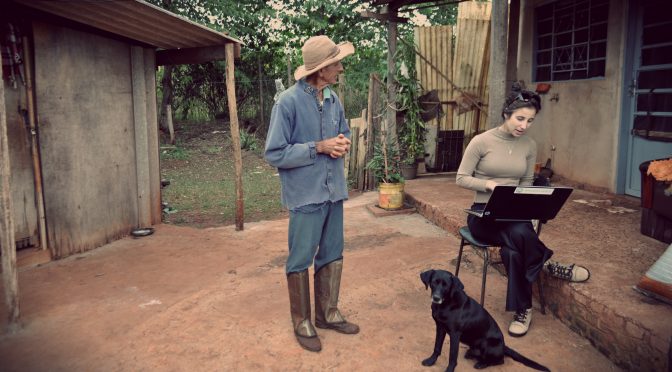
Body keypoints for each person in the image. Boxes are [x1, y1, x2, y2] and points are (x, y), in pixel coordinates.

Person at [455, 83, 590, 337]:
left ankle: (523, 308)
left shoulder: (529, 145)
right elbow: (461, 178)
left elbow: (526, 184)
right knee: (518, 233)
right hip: (482, 214)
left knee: (513, 249)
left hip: (514, 214)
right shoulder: (481, 141)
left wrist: (532, 209)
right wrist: (489, 184)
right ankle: (546, 262)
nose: (524, 126)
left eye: (530, 121)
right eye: (520, 118)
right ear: (506, 114)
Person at [264, 35, 359, 353]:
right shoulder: (288, 102)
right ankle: (302, 320)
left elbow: (343, 131)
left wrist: (342, 142)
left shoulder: (333, 98)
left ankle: (328, 313)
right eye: (336, 64)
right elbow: (274, 153)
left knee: (333, 251)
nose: (341, 68)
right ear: (322, 69)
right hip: (305, 195)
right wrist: (318, 147)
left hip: (334, 191)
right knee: (301, 257)